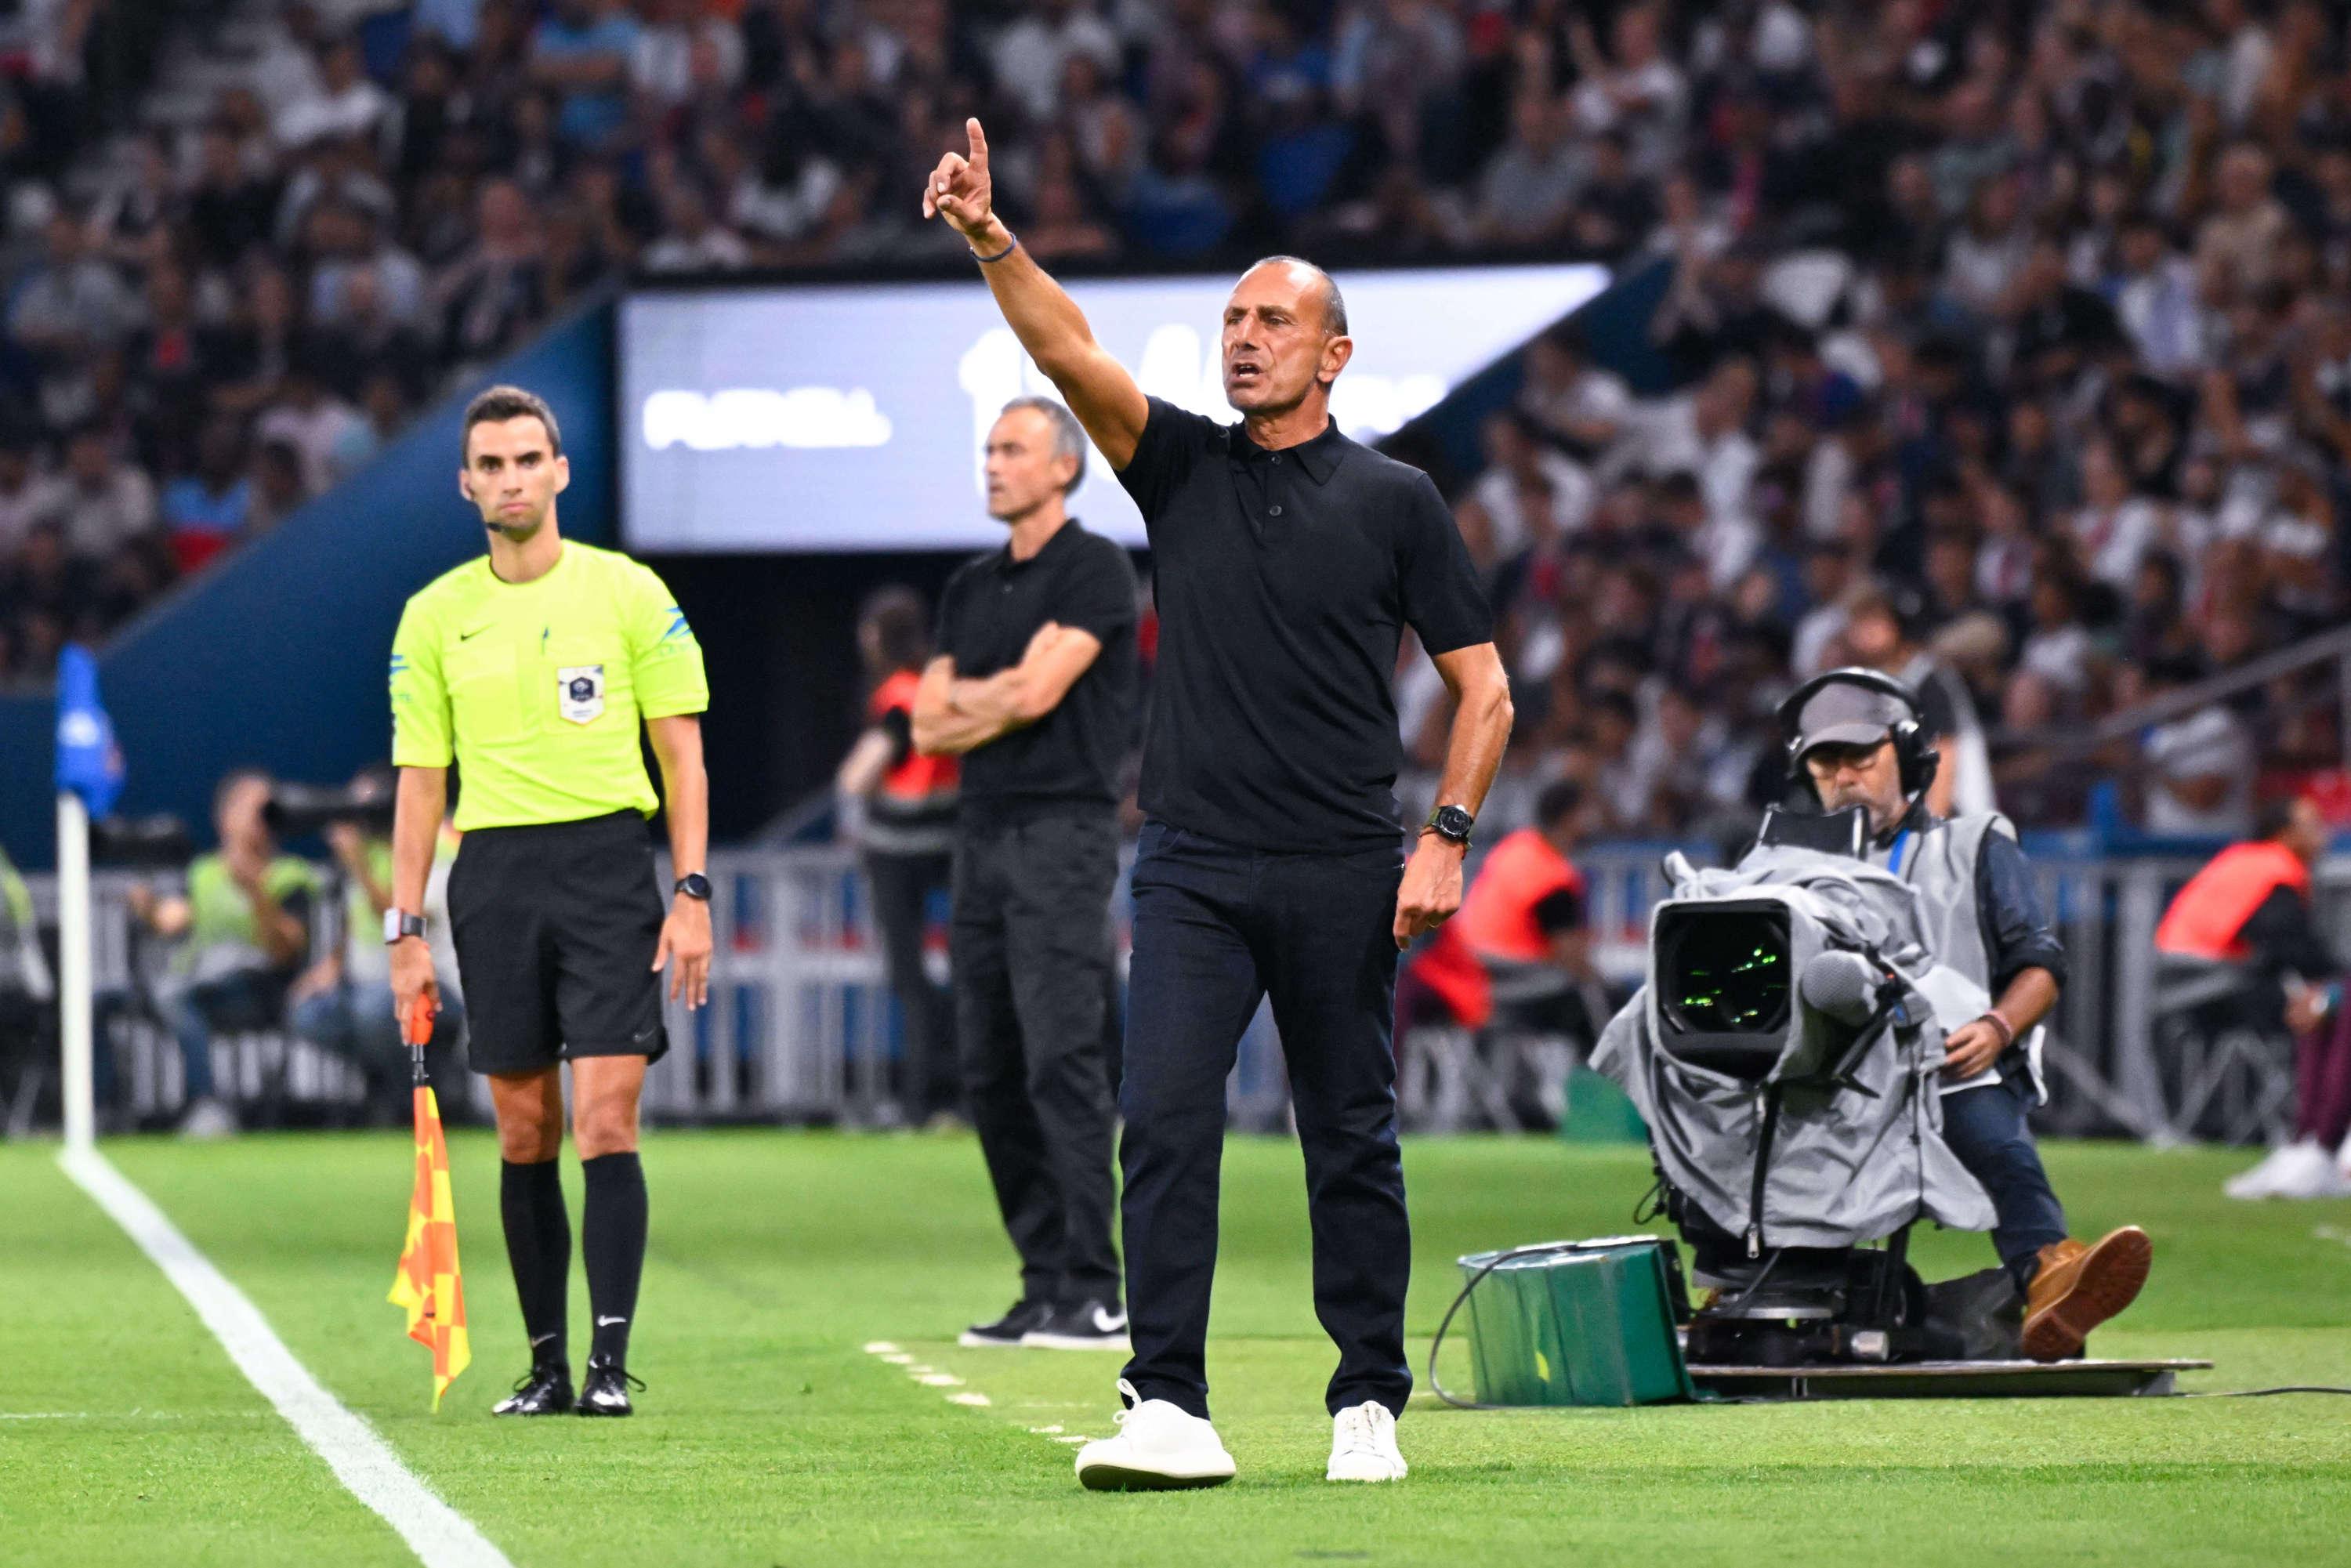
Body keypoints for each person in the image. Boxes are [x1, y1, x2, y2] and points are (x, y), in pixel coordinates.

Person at [923, 118, 1514, 1487]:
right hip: (1188, 864)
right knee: (1167, 1124)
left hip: (1343, 864)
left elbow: (1484, 694)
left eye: (1274, 319)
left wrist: (1444, 839)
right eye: (1234, 316)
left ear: (1334, 354)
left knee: (1350, 1140)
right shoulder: (1175, 465)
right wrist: (988, 236)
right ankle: (1166, 1406)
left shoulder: (1397, 500)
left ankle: (1367, 1400)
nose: (1244, 336)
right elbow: (1066, 349)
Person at [387, 385, 711, 1418]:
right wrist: (404, 929)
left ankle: (611, 1366)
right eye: (491, 464)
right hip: (492, 879)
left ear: (560, 471)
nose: (511, 478)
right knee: (524, 1131)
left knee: (605, 1120)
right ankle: (546, 1366)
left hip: (609, 869)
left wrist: (692, 888)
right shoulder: (434, 615)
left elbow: (684, 756)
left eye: (529, 459)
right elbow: (419, 782)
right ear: (466, 483)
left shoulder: (627, 592)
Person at [1784, 668, 2151, 1361]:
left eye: (1861, 756)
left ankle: (2049, 1275)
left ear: (1911, 757)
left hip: (1947, 1061)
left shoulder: (1975, 843)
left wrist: (1998, 1027)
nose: (1843, 775)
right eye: (1825, 761)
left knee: (1992, 1136)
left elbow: (2041, 962)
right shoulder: (1785, 867)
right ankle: (1746, 1290)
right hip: (1824, 1077)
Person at [911, 396, 1140, 1353]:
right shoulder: (971, 585)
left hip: (1063, 832)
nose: (994, 463)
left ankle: (1096, 1286)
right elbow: (926, 724)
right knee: (991, 1066)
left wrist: (984, 699)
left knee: (1062, 1057)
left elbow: (1043, 693)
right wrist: (995, 700)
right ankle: (1042, 1282)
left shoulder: (1094, 569)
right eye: (990, 448)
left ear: (1064, 466)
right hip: (981, 835)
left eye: (1013, 449)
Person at [2158, 797, 2349, 1199]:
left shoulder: (2243, 859)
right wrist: (2329, 981)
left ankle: (2312, 1144)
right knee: (2326, 1004)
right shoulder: (2274, 867)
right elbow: (2286, 940)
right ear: (2284, 833)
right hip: (2211, 982)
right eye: (2311, 825)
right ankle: (2314, 1145)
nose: (2322, 834)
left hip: (2182, 978)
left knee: (2327, 1002)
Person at [124, 770, 319, 1139]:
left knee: (174, 998)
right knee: (145, 999)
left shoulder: (290, 875)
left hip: (262, 991)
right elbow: (174, 919)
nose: (259, 819)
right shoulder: (204, 872)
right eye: (250, 809)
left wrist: (257, 894)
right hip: (201, 986)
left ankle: (207, 1103)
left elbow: (286, 951)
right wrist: (148, 909)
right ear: (224, 818)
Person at [835, 587, 959, 1128]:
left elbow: (860, 773)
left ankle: (922, 1101)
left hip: (898, 847)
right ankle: (959, 1096)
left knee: (911, 980)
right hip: (951, 841)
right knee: (965, 974)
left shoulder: (898, 695)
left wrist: (853, 799)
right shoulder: (939, 684)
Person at [287, 766, 465, 1123]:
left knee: (371, 1012)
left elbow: (410, 919)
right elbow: (356, 925)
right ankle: (389, 1084)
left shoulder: (434, 843)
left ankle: (413, 1099)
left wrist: (359, 867)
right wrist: (329, 969)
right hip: (370, 988)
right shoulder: (367, 851)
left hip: (435, 985)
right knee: (309, 1015)